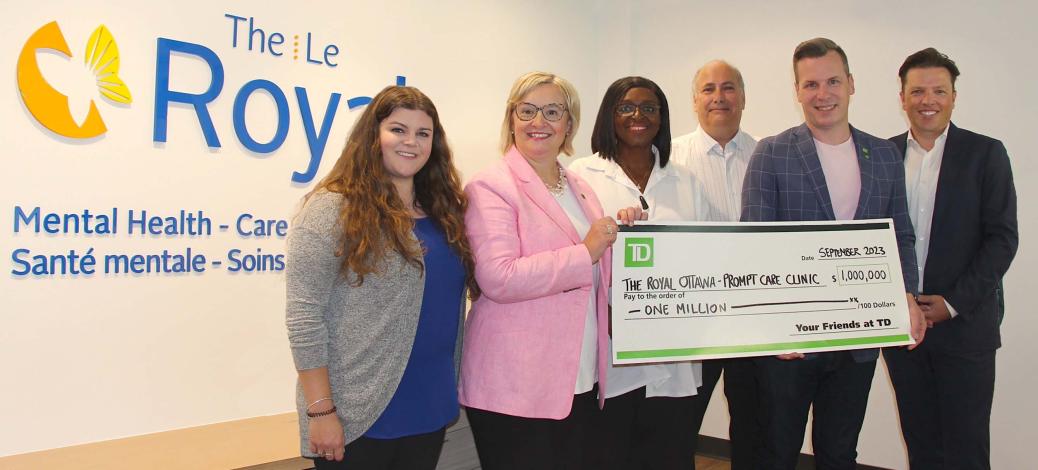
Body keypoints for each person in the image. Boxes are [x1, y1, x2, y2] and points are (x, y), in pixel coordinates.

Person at [740, 38, 927, 470]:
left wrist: (909, 296)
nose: (822, 94)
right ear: (797, 91)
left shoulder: (882, 154)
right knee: (777, 451)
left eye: (832, 81)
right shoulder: (772, 151)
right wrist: (773, 325)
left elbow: (900, 234)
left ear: (851, 84)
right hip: (792, 342)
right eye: (810, 85)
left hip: (856, 338)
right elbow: (755, 243)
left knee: (840, 452)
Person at [285, 86, 478, 470]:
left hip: (429, 405)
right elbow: (304, 318)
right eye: (398, 130)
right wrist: (320, 412)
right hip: (359, 412)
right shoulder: (331, 208)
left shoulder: (445, 212)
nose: (411, 142)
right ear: (373, 135)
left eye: (423, 133)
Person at [459, 71, 642, 470]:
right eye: (527, 111)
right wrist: (586, 251)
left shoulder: (579, 186)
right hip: (516, 383)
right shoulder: (490, 186)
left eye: (552, 111)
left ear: (569, 124)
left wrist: (625, 232)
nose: (538, 122)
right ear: (511, 119)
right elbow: (498, 277)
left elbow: (596, 269)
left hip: (577, 376)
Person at [883, 47, 1018, 470]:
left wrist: (951, 303)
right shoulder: (881, 156)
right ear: (902, 96)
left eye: (939, 91)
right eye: (918, 90)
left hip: (965, 329)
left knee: (966, 449)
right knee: (921, 444)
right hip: (904, 328)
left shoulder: (985, 154)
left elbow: (1002, 240)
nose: (928, 100)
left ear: (954, 97)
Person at [570, 76, 707, 469]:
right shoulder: (583, 176)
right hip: (613, 353)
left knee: (671, 455)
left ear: (661, 118)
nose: (638, 116)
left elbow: (700, 257)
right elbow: (579, 255)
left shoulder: (684, 179)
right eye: (626, 107)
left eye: (649, 108)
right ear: (609, 116)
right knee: (610, 455)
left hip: (674, 353)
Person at [670, 60, 762, 469]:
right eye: (709, 89)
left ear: (742, 98)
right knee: (679, 424)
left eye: (728, 88)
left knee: (755, 425)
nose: (719, 97)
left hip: (753, 318)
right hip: (696, 318)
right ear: (695, 101)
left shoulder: (767, 155)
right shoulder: (669, 158)